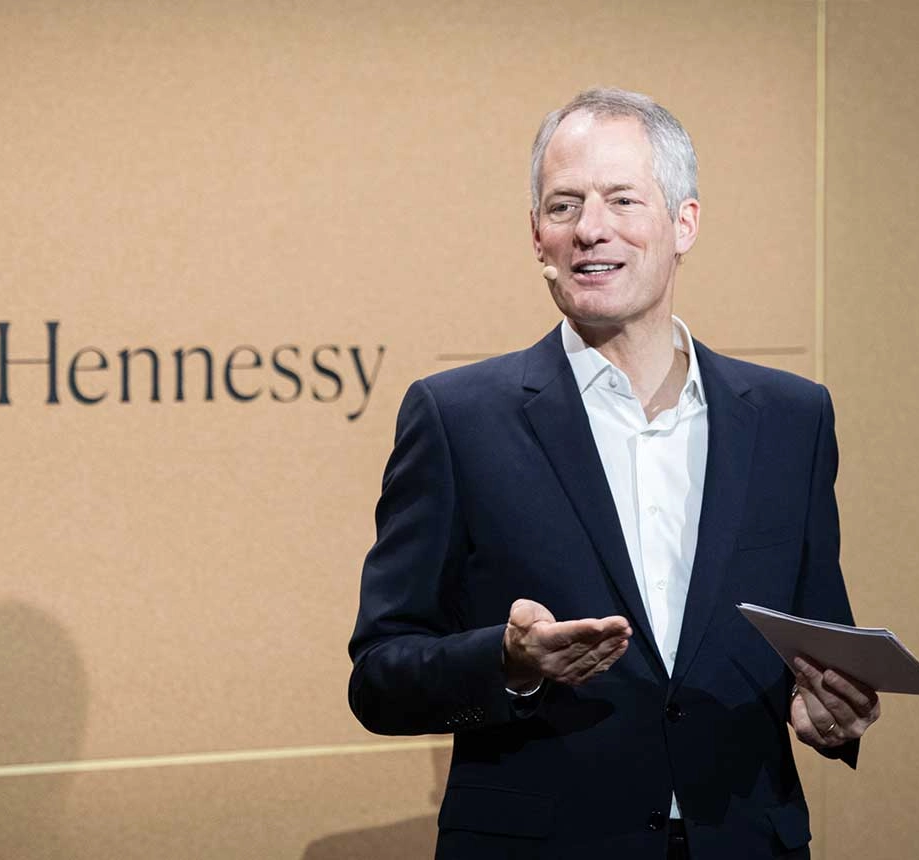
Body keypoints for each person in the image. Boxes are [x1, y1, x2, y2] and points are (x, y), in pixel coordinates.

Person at [347, 87, 881, 859]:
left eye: (622, 199)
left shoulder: (792, 418)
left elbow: (821, 653)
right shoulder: (458, 418)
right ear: (537, 235)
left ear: (684, 223)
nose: (589, 228)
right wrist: (509, 663)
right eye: (563, 206)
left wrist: (833, 716)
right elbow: (379, 678)